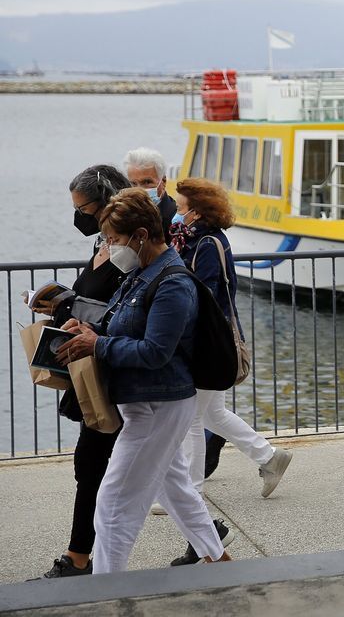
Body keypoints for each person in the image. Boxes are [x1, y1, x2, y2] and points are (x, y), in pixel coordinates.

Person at [54, 188, 229, 572]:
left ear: (141, 236)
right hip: (147, 403)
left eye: (115, 240)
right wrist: (87, 328)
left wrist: (97, 345)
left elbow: (155, 352)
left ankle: (106, 592)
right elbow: (120, 326)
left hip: (158, 406)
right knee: (177, 491)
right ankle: (219, 559)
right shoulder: (142, 274)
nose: (110, 247)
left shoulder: (172, 283)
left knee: (113, 507)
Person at [166, 178, 292, 565]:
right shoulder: (195, 240)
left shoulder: (206, 244)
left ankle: (193, 492)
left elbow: (209, 294)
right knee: (211, 413)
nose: (176, 211)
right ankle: (268, 456)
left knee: (193, 420)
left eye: (181, 206)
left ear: (197, 211)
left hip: (207, 344)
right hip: (207, 343)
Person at [30, 166, 132, 578]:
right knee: (155, 470)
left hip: (113, 368)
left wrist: (80, 315)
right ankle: (208, 540)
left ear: (106, 201)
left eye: (84, 207)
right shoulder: (103, 243)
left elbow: (124, 309)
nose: (80, 216)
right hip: (93, 364)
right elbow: (93, 296)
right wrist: (62, 305)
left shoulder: (128, 251)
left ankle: (78, 558)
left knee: (93, 462)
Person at [123, 148, 177, 226]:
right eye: (134, 184)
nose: (139, 190)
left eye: (147, 182)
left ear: (163, 181)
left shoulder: (175, 220)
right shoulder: (123, 217)